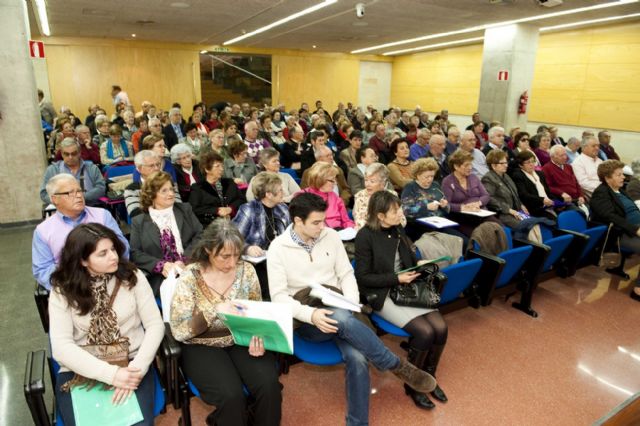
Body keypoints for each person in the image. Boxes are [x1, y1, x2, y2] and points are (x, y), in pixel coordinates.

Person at [267, 193, 436, 426]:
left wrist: (352, 302)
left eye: (323, 220)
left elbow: (346, 274)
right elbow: (278, 297)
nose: (322, 226)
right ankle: (395, 364)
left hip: (340, 308)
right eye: (316, 222)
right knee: (343, 320)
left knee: (357, 357)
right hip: (307, 317)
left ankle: (358, 423)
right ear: (297, 221)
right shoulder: (278, 248)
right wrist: (311, 315)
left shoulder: (330, 237)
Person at [49, 223, 163, 426]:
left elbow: (155, 325)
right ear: (83, 261)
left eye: (113, 249)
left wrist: (133, 372)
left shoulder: (132, 276)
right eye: (102, 253)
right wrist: (112, 375)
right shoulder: (63, 289)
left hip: (131, 363)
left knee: (138, 424)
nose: (114, 256)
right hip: (82, 368)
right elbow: (61, 347)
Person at [170, 220, 282, 426]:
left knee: (269, 385)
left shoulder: (246, 270)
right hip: (202, 344)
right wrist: (214, 311)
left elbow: (255, 312)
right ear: (207, 250)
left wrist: (257, 337)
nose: (232, 263)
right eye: (225, 256)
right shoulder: (190, 277)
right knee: (231, 396)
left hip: (240, 338)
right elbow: (179, 330)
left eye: (237, 255)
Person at [355, 191, 449, 410]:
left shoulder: (398, 229)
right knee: (425, 332)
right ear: (379, 215)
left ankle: (430, 377)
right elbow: (363, 277)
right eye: (395, 210)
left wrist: (419, 264)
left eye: (399, 208)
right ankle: (414, 384)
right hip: (382, 292)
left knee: (441, 328)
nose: (400, 213)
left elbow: (408, 260)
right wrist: (396, 278)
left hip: (407, 287)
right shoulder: (365, 236)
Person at [33, 174, 130, 290]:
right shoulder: (43, 231)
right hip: (70, 289)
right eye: (70, 193)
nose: (78, 195)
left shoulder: (102, 215)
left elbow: (122, 248)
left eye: (79, 190)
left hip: (109, 281)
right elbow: (42, 271)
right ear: (54, 199)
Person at [130, 172, 202, 296]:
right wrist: (162, 265)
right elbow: (135, 253)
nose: (171, 194)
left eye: (171, 189)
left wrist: (184, 259)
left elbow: (200, 235)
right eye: (164, 191)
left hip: (192, 268)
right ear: (152, 195)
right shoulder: (139, 222)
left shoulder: (185, 209)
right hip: (160, 277)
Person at [233, 172, 291, 299]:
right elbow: (232, 238)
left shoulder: (283, 209)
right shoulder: (249, 210)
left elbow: (290, 235)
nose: (284, 193)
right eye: (280, 190)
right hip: (258, 263)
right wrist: (247, 248)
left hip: (280, 257)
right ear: (268, 195)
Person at [590, 160, 640, 301]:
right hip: (620, 234)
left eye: (622, 174)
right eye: (619, 175)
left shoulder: (621, 190)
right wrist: (636, 229)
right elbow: (610, 217)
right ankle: (638, 290)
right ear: (607, 178)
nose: (623, 177)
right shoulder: (601, 193)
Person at [442, 150, 494, 236]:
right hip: (462, 218)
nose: (470, 167)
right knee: (479, 236)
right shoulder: (447, 181)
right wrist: (463, 207)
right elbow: (446, 205)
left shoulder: (473, 177)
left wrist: (478, 203)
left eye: (470, 164)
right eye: (466, 165)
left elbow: (486, 195)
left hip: (480, 212)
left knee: (499, 229)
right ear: (456, 166)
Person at [41, 138, 106, 206]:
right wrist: (63, 200)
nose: (70, 157)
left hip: (90, 207)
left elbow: (101, 188)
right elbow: (44, 193)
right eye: (66, 154)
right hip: (63, 209)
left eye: (74, 153)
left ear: (79, 153)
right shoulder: (53, 170)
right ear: (62, 154)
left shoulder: (91, 168)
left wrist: (80, 198)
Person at [189, 151, 246, 226]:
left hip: (235, 222)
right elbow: (195, 209)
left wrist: (230, 208)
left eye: (222, 166)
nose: (222, 169)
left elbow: (242, 200)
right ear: (207, 169)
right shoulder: (198, 188)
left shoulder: (229, 183)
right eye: (217, 166)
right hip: (211, 226)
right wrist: (217, 210)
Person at [125, 150, 182, 219]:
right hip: (149, 225)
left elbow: (179, 205)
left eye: (158, 164)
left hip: (174, 219)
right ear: (140, 168)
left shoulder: (169, 182)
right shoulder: (132, 189)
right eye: (151, 165)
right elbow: (135, 214)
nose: (156, 168)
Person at [298, 162, 354, 230]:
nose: (335, 183)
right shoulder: (302, 196)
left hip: (337, 233)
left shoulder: (335, 197)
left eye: (335, 179)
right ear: (320, 180)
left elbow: (346, 221)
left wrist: (351, 229)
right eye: (332, 180)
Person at [482, 150, 530, 228]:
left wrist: (521, 205)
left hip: (516, 211)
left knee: (535, 224)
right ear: (493, 166)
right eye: (502, 163)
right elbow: (490, 199)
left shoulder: (506, 176)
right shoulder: (488, 178)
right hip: (503, 214)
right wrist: (508, 210)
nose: (506, 165)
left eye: (506, 162)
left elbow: (514, 194)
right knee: (528, 227)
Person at [509, 150, 560, 219]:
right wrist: (542, 200)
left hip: (548, 205)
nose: (531, 164)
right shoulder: (518, 176)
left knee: (568, 209)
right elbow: (524, 195)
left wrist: (556, 201)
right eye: (528, 162)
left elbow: (548, 192)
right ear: (520, 165)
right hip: (535, 208)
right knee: (555, 219)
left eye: (533, 161)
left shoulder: (540, 174)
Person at [352, 163, 403, 230]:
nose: (367, 184)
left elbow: (402, 220)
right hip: (370, 235)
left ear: (383, 183)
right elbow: (360, 223)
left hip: (392, 231)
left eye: (372, 181)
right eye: (366, 180)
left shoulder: (392, 195)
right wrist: (387, 223)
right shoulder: (360, 196)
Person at [572, 135, 603, 199]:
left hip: (607, 191)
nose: (597, 148)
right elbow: (583, 183)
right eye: (593, 146)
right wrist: (604, 188)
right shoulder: (578, 162)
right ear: (584, 147)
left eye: (598, 146)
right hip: (594, 195)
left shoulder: (600, 161)